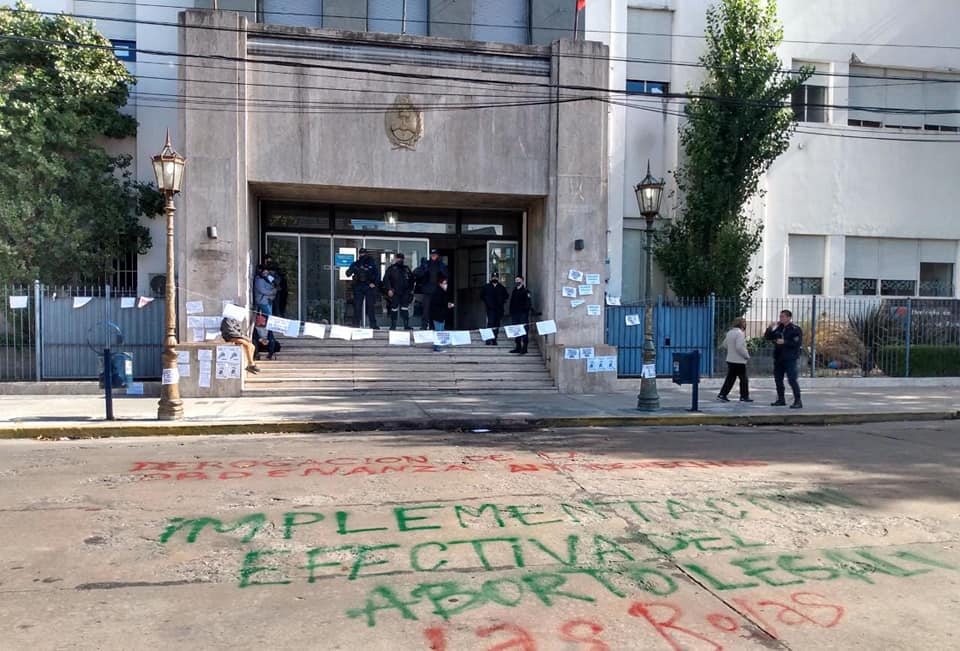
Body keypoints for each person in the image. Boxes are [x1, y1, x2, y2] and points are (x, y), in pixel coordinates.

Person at [765, 309, 803, 408]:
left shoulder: (795, 329)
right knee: (778, 380)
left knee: (792, 380)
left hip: (790, 358)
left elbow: (797, 343)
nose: (780, 318)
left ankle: (798, 401)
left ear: (789, 318)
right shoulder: (779, 328)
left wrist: (784, 342)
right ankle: (781, 399)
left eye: (783, 316)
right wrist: (770, 328)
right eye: (780, 316)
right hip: (778, 358)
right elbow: (768, 337)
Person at [717, 317, 752, 402]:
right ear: (742, 324)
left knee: (730, 378)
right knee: (744, 379)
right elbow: (739, 347)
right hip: (739, 360)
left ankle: (722, 394)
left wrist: (731, 349)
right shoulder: (740, 334)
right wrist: (746, 355)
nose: (745, 324)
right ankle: (744, 396)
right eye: (744, 323)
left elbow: (724, 344)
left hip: (730, 359)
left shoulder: (730, 332)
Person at [346, 247, 381, 328]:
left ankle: (373, 324)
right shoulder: (356, 264)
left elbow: (377, 274)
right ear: (359, 254)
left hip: (368, 286)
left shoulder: (371, 263)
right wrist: (353, 269)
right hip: (358, 286)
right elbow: (348, 274)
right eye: (361, 253)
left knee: (370, 306)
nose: (362, 254)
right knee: (357, 306)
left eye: (363, 253)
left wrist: (374, 283)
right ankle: (356, 324)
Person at [415, 249, 448, 329]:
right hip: (427, 290)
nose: (433, 256)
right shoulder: (426, 264)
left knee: (436, 309)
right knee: (426, 309)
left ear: (437, 255)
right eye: (432, 254)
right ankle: (424, 326)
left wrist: (443, 283)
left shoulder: (441, 265)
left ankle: (434, 327)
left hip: (437, 290)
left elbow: (446, 275)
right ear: (430, 255)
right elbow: (417, 273)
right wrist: (423, 269)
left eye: (435, 254)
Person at [383, 252, 415, 330]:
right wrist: (389, 289)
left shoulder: (406, 269)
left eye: (401, 258)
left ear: (403, 259)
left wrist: (411, 290)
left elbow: (412, 280)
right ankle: (393, 326)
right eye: (398, 258)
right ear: (396, 259)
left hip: (405, 293)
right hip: (394, 292)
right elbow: (386, 280)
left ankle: (406, 326)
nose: (400, 259)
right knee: (394, 309)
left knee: (405, 309)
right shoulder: (391, 268)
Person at [480, 272, 509, 345]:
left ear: (498, 278)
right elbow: (482, 296)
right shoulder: (487, 287)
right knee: (490, 323)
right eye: (493, 277)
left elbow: (506, 296)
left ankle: (494, 339)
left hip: (499, 309)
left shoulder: (501, 287)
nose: (494, 278)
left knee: (496, 325)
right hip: (490, 309)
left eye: (496, 277)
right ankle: (488, 339)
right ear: (491, 278)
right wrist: (487, 302)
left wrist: (501, 301)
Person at [429, 275, 454, 352]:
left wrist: (447, 305)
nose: (446, 285)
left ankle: (438, 346)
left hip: (441, 315)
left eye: (446, 283)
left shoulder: (442, 292)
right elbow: (439, 303)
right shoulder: (438, 292)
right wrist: (448, 305)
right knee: (439, 331)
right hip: (438, 316)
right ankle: (437, 347)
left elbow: (442, 303)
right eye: (444, 283)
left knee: (440, 331)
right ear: (440, 284)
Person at [508, 275, 532, 355]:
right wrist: (511, 311)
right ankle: (518, 347)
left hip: (522, 314)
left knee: (524, 330)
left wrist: (524, 310)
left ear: (522, 281)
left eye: (518, 280)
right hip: (515, 314)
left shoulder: (526, 291)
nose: (517, 282)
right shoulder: (514, 291)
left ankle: (524, 348)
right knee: (516, 330)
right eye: (516, 280)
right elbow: (512, 302)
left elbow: (528, 303)